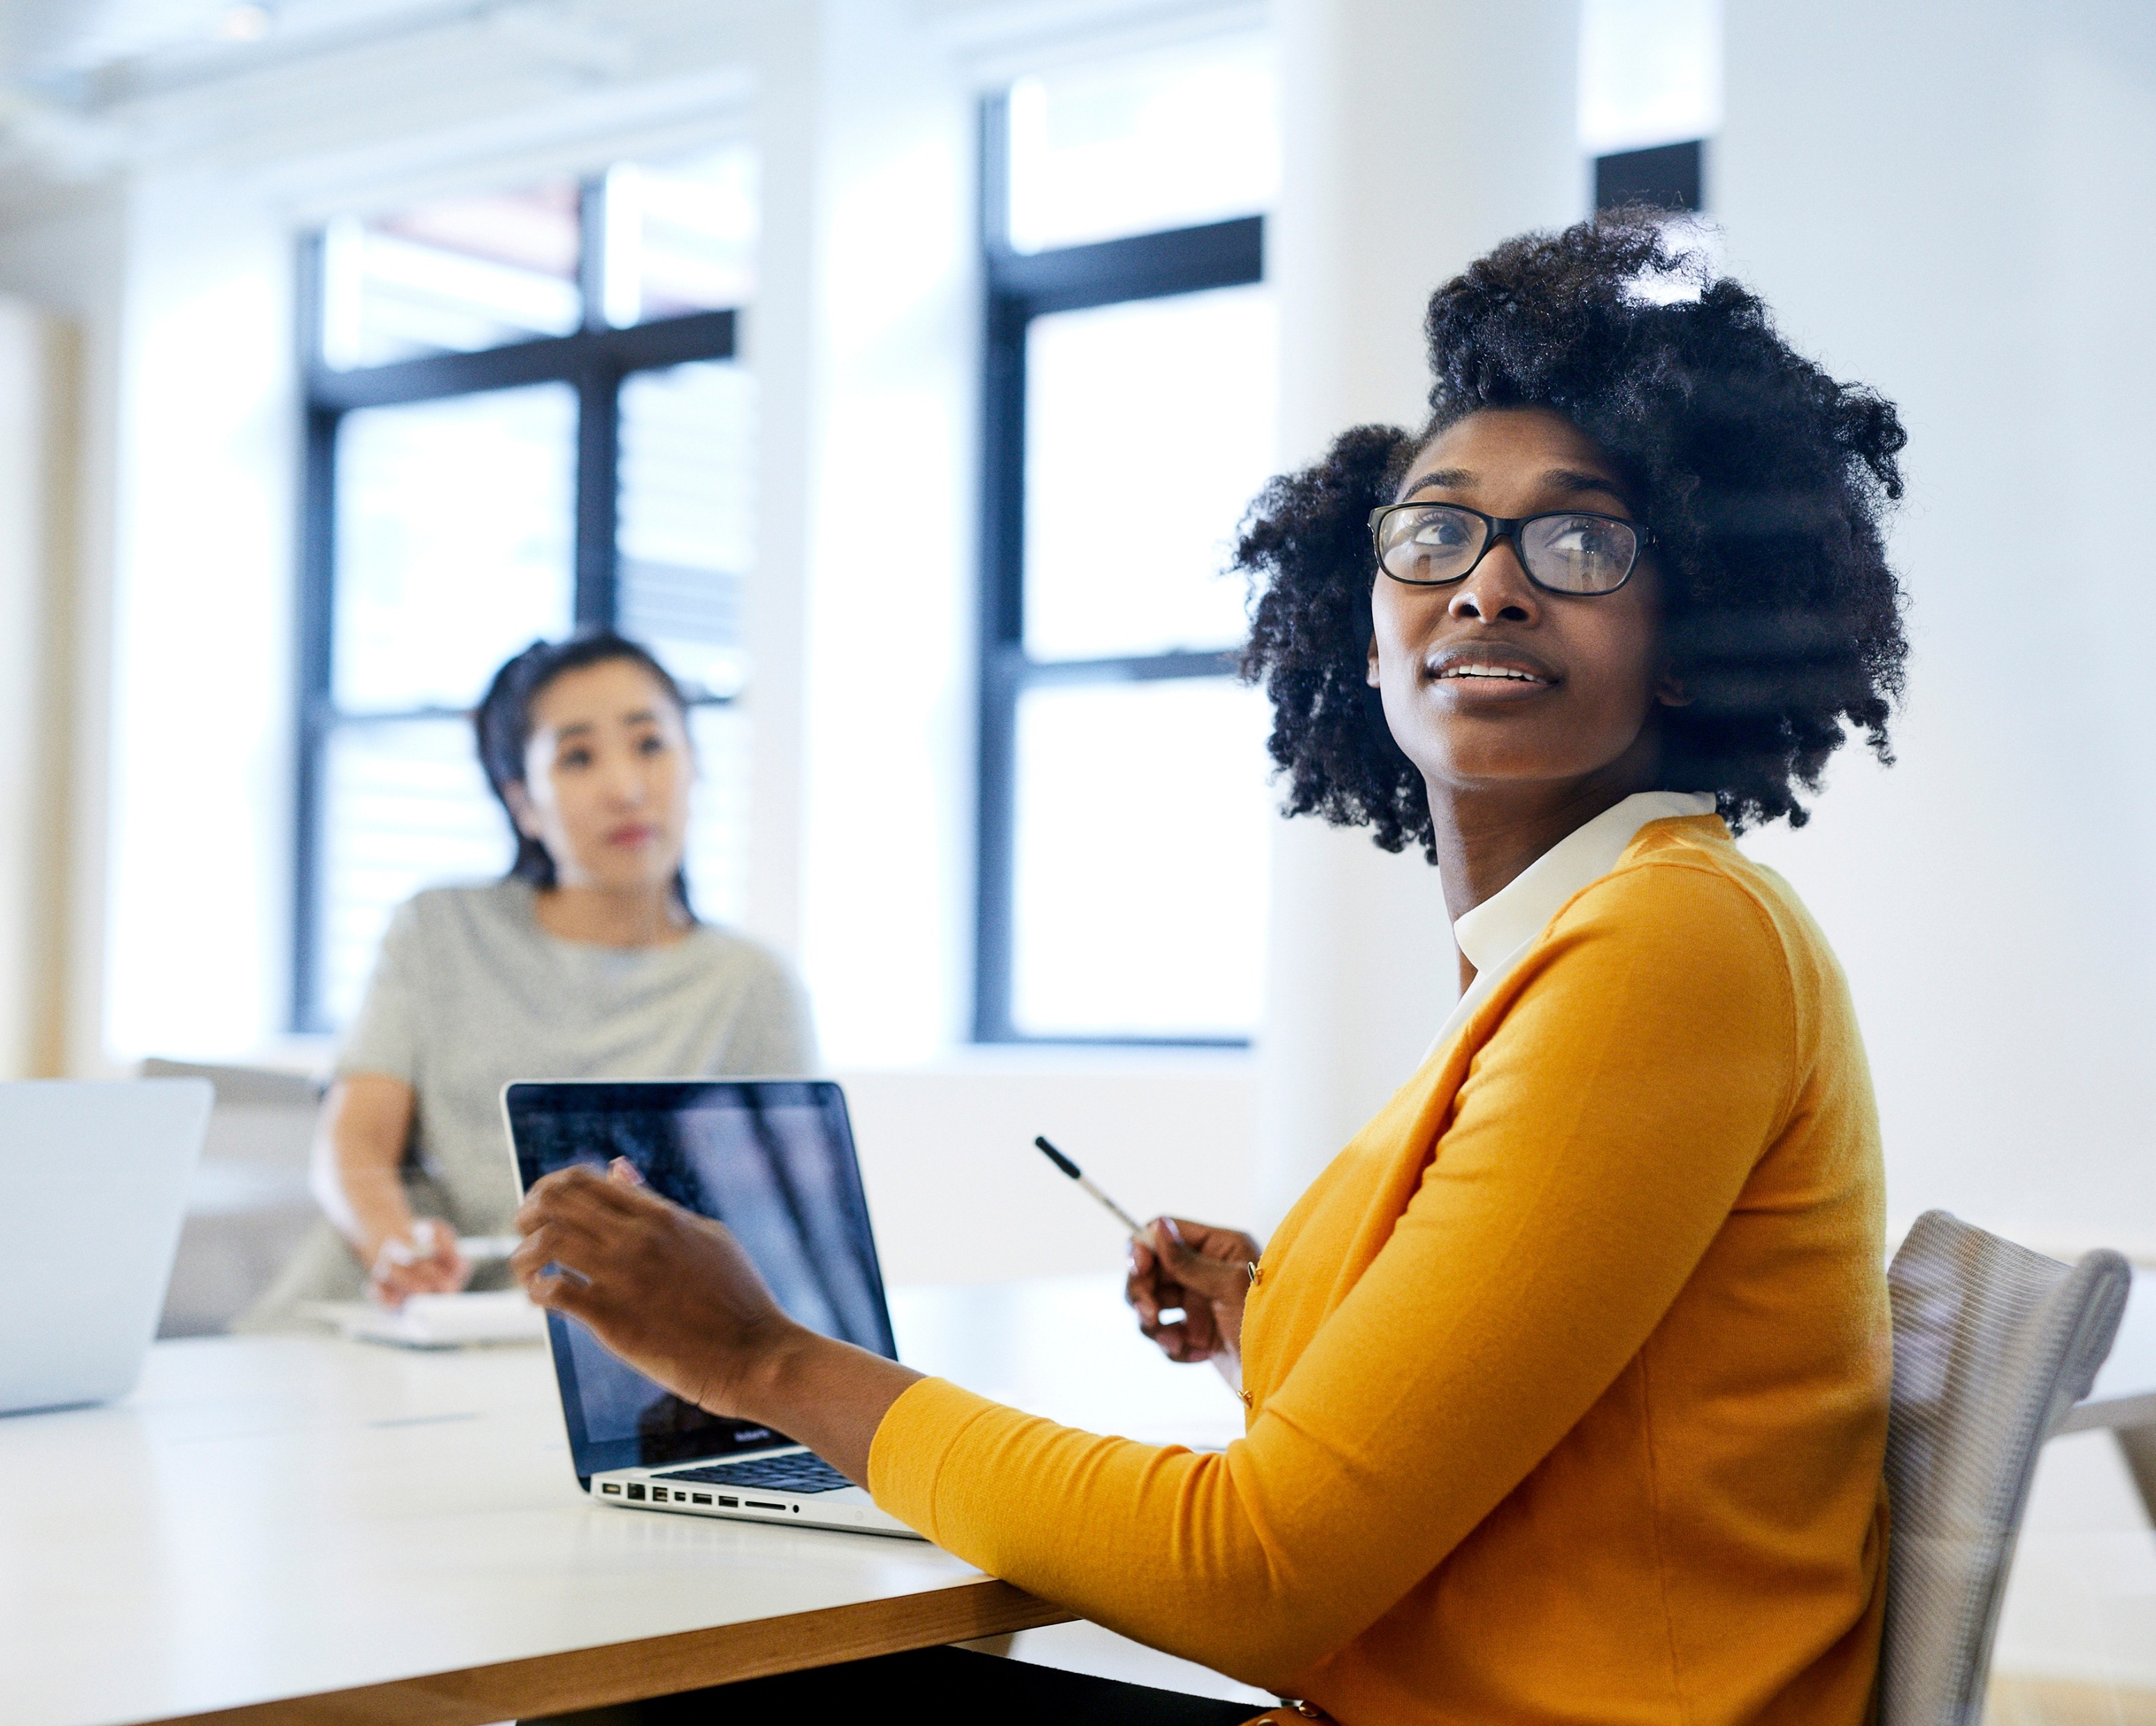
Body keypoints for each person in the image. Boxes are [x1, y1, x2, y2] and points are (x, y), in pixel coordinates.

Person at [507, 213, 1907, 1724]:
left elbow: (1255, 1571)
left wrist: (765, 1359)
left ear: (1688, 624)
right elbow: (1537, 1432)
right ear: (1360, 631)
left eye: (1576, 541)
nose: (1485, 586)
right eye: (1433, 531)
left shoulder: (1667, 944)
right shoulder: (1571, 945)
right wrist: (1271, 1312)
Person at [242, 633, 815, 1324]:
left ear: (695, 765)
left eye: (651, 744)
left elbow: (784, 1228)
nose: (626, 789)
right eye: (577, 757)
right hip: (400, 1318)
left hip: (619, 1353)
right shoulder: (438, 931)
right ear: (523, 803)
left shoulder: (751, 986)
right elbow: (355, 1138)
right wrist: (398, 1246)